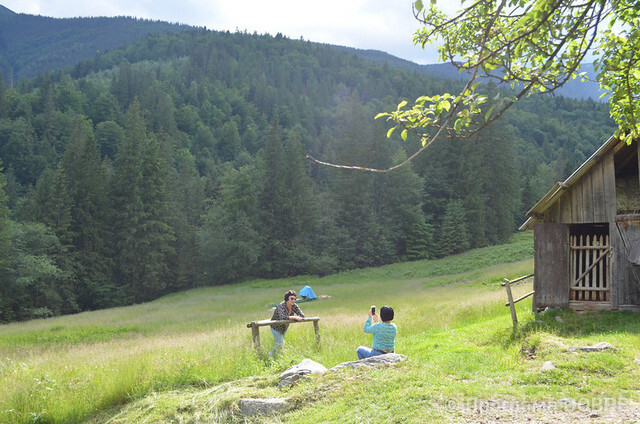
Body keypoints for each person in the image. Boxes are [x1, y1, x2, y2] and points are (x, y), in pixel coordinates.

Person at [269, 290, 305, 357]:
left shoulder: (294, 306)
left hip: (284, 328)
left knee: (280, 344)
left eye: (295, 299)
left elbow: (302, 315)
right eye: (291, 298)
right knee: (280, 343)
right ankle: (270, 356)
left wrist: (297, 317)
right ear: (287, 299)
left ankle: (276, 356)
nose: (293, 300)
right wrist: (294, 317)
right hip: (275, 327)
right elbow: (282, 317)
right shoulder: (281, 306)